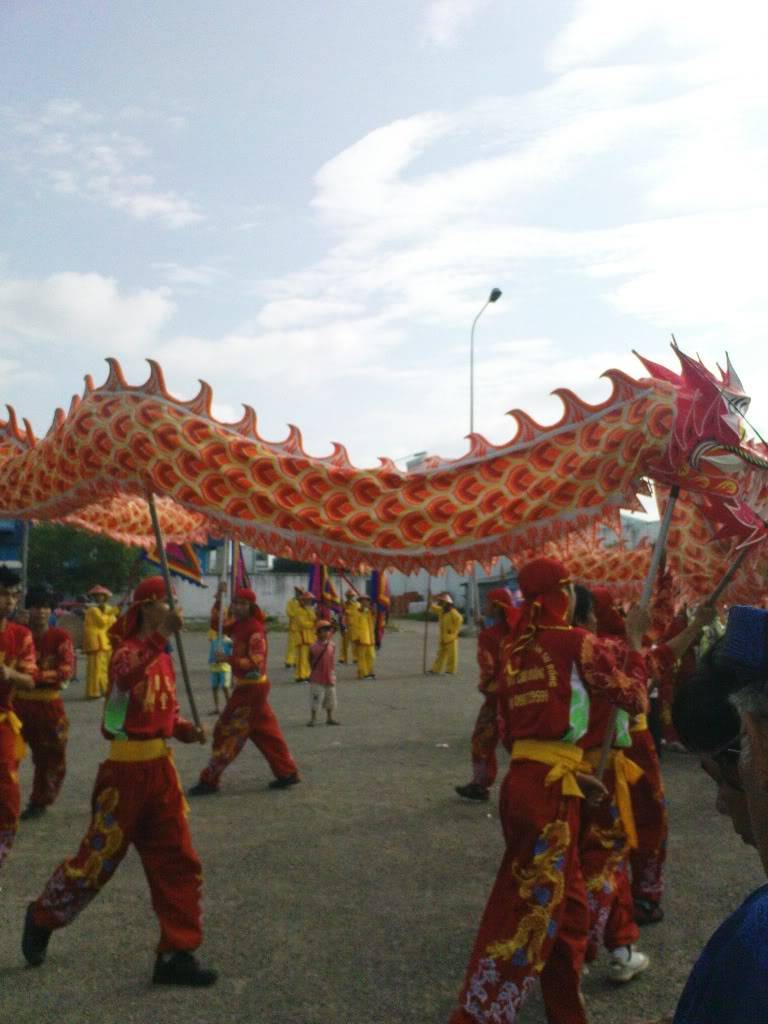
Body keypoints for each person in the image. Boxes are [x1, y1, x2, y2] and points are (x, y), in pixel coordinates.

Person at [449, 558, 649, 1024]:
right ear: (563, 593)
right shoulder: (575, 642)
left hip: (531, 783)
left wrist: (572, 772)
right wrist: (636, 640)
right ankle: (475, 1015)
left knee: (570, 912)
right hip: (546, 797)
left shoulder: (516, 651)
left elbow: (520, 733)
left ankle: (566, 1012)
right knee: (522, 915)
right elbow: (634, 697)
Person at [21, 576, 217, 986]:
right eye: (166, 601)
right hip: (124, 775)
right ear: (146, 607)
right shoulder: (125, 653)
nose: (173, 607)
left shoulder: (163, 656)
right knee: (96, 862)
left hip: (161, 771)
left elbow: (164, 713)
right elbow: (122, 691)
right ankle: (42, 916)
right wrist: (161, 636)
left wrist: (183, 730)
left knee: (178, 860)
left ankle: (176, 953)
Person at [628, 605, 768, 1024]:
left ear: (754, 740)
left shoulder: (756, 946)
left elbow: (634, 675)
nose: (721, 802)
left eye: (725, 773)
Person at [189, 586, 300, 794]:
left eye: (242, 603)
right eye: (235, 602)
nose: (237, 606)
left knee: (226, 730)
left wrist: (228, 659)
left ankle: (210, 779)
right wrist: (219, 600)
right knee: (266, 733)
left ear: (251, 606)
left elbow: (255, 664)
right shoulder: (239, 625)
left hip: (252, 688)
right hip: (249, 688)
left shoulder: (255, 629)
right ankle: (287, 772)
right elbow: (217, 624)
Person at [15, 586, 75, 820]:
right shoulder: (17, 634)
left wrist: (34, 677)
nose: (40, 611)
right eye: (35, 606)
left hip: (49, 705)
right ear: (27, 609)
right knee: (8, 754)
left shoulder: (60, 637)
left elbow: (66, 671)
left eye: (45, 607)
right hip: (17, 704)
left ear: (51, 611)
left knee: (51, 756)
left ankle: (40, 800)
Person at [455, 588, 516, 801]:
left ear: (497, 607)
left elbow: (488, 669)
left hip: (495, 698)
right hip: (518, 696)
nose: (485, 606)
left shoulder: (489, 636)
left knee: (482, 740)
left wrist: (485, 687)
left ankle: (480, 784)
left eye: (488, 603)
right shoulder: (517, 632)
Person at [0, 566, 36, 871]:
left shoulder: (20, 635)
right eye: (3, 594)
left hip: (3, 722)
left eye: (13, 595)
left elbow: (30, 680)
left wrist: (9, 673)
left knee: (9, 792)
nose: (9, 601)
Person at [82, 585, 117, 699]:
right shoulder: (93, 609)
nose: (100, 598)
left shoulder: (104, 610)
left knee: (104, 668)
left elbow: (112, 623)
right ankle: (93, 691)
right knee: (95, 668)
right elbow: (102, 622)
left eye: (102, 596)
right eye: (97, 596)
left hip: (105, 642)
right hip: (96, 642)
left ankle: (104, 689)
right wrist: (111, 613)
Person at [307, 620, 339, 726]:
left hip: (329, 675)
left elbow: (332, 658)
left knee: (330, 698)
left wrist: (332, 673)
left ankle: (329, 717)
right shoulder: (313, 647)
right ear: (318, 632)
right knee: (316, 697)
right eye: (323, 631)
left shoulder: (332, 645)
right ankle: (313, 718)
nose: (326, 633)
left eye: (328, 631)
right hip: (317, 676)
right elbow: (310, 659)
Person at [429, 593, 463, 675]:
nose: (441, 604)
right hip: (443, 637)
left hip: (451, 637)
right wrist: (430, 602)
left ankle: (450, 670)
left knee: (452, 655)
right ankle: (436, 669)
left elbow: (459, 620)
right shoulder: (442, 611)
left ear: (448, 603)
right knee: (440, 654)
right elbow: (434, 608)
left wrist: (454, 631)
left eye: (443, 603)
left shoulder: (453, 612)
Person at [294, 591, 317, 682]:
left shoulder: (310, 610)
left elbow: (314, 618)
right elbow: (302, 624)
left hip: (310, 636)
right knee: (302, 658)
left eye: (310, 601)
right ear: (302, 601)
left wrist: (309, 611)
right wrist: (313, 624)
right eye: (307, 600)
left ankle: (305, 675)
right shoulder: (298, 610)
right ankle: (301, 676)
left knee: (307, 658)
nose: (309, 602)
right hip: (302, 636)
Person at [355, 595, 376, 679]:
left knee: (371, 656)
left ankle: (370, 671)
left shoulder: (370, 613)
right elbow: (355, 626)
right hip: (361, 639)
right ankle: (363, 673)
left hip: (370, 638)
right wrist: (356, 637)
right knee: (361, 656)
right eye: (363, 601)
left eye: (367, 601)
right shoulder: (357, 613)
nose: (365, 602)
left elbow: (375, 623)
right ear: (360, 602)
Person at [284, 586, 303, 668]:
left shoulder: (303, 603)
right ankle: (289, 661)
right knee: (291, 645)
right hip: (293, 627)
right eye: (296, 591)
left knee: (299, 645)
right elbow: (288, 612)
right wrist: (296, 614)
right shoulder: (290, 602)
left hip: (301, 627)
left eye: (299, 591)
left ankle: (296, 661)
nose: (297, 593)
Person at [339, 590, 359, 664]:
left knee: (354, 644)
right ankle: (342, 658)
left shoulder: (357, 604)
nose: (349, 597)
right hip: (346, 626)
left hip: (354, 627)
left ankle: (355, 658)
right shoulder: (344, 604)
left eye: (351, 596)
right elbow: (341, 614)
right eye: (348, 596)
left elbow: (354, 613)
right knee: (344, 643)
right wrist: (341, 608)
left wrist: (346, 610)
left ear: (353, 596)